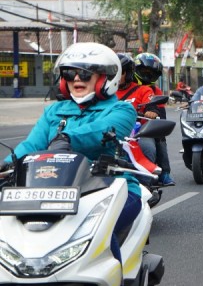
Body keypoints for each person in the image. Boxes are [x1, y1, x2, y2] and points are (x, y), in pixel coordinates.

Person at [0, 42, 138, 264]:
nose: (76, 79)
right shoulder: (53, 111)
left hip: (109, 188)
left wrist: (66, 138)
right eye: (70, 73)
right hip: (52, 189)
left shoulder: (122, 110)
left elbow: (102, 132)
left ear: (105, 78)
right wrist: (7, 164)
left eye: (84, 73)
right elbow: (32, 145)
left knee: (99, 235)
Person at [134, 52, 175, 186]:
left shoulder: (153, 91)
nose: (147, 75)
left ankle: (163, 173)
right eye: (144, 71)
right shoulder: (117, 88)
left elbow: (160, 113)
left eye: (151, 73)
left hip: (144, 129)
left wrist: (151, 112)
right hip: (119, 127)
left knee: (158, 139)